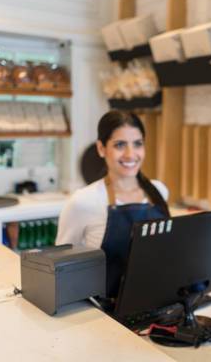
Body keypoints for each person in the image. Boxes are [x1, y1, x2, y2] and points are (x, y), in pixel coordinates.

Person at [57, 110, 170, 298]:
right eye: (119, 145)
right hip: (105, 311)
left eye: (137, 144)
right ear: (101, 148)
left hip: (157, 302)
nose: (130, 154)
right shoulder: (83, 201)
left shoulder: (159, 191)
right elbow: (61, 266)